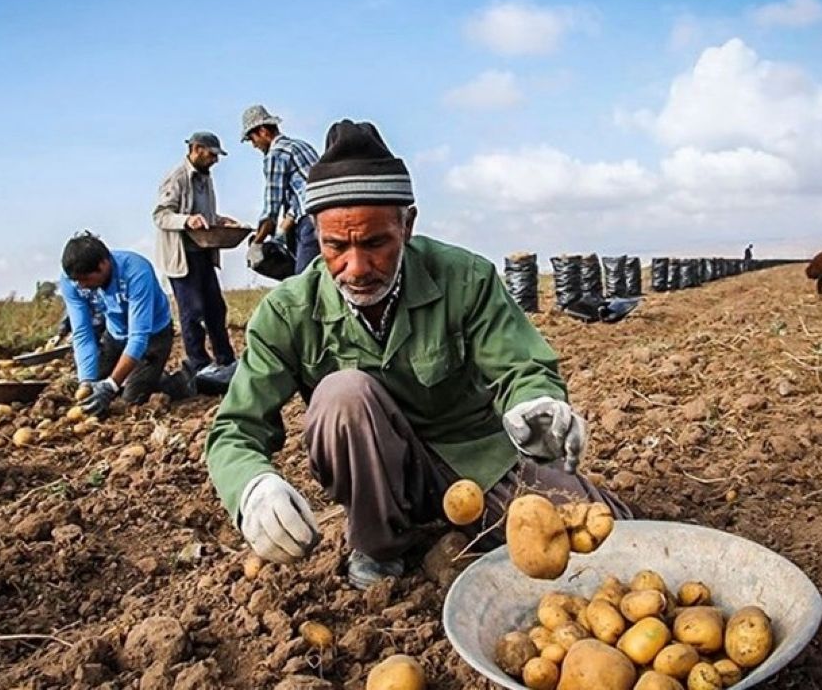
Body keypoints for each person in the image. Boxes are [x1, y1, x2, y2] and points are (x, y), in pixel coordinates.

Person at [206, 120, 631, 589]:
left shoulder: (464, 278)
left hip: (474, 460)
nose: (357, 267)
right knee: (343, 393)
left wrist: (535, 404)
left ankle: (466, 527)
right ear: (316, 234)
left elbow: (522, 367)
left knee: (607, 538)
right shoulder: (288, 312)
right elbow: (236, 428)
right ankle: (380, 544)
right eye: (336, 246)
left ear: (407, 225)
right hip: (377, 477)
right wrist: (251, 487)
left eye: (375, 243)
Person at [61, 232, 192, 416]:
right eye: (77, 282)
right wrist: (87, 381)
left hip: (152, 335)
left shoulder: (136, 272)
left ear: (103, 265)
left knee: (131, 400)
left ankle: (178, 382)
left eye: (86, 280)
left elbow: (139, 337)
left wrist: (111, 384)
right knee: (92, 388)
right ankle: (143, 373)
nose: (81, 286)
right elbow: (82, 332)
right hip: (116, 334)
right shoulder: (72, 282)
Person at [153, 131, 238, 378]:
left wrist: (220, 220)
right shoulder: (177, 178)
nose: (215, 160)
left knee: (215, 308)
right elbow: (161, 215)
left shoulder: (205, 179)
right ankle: (199, 365)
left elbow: (205, 216)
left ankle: (226, 360)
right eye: (212, 155)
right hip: (181, 257)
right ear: (197, 149)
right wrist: (187, 220)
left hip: (202, 252)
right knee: (193, 312)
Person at [240, 105, 321, 273]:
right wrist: (282, 232)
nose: (254, 145)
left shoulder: (276, 154)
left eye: (252, 138)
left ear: (262, 131)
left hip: (311, 222)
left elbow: (271, 209)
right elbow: (302, 195)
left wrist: (257, 244)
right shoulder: (301, 145)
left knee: (304, 281)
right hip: (328, 215)